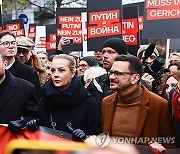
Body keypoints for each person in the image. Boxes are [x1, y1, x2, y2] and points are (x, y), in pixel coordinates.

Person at [102, 55, 175, 148]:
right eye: (111, 72)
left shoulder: (158, 104)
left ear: (135, 78)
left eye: (118, 73)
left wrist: (158, 147)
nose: (111, 77)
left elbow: (170, 143)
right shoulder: (106, 102)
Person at [38, 54, 102, 139]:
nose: (56, 75)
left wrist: (86, 137)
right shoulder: (45, 97)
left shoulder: (88, 101)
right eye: (53, 70)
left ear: (72, 73)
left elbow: (97, 136)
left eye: (61, 70)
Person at [0, 51, 37, 133]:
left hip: (12, 142)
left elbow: (34, 115)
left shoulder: (26, 88)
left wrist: (23, 122)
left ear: (5, 64)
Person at [0, 30, 41, 101]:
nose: (10, 46)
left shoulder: (29, 72)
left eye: (13, 43)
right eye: (6, 43)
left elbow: (35, 100)